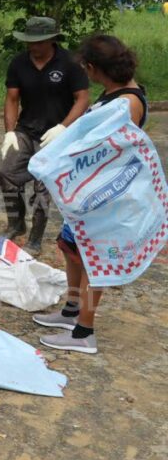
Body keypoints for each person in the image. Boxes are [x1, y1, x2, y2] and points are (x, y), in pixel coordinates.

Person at [34, 35, 148, 354]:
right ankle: (71, 312)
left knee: (92, 260)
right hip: (89, 193)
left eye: (87, 68)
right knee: (72, 248)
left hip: (105, 195)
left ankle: (84, 332)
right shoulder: (113, 93)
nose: (87, 73)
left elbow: (104, 147)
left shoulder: (128, 101)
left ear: (95, 68)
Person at [0, 16, 89, 253]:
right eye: (30, 42)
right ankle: (16, 223)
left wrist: (64, 127)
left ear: (51, 40)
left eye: (38, 42)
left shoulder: (69, 63)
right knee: (7, 174)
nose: (33, 46)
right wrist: (9, 131)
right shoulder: (19, 63)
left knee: (43, 186)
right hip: (26, 130)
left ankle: (35, 240)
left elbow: (82, 99)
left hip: (56, 135)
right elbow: (12, 98)